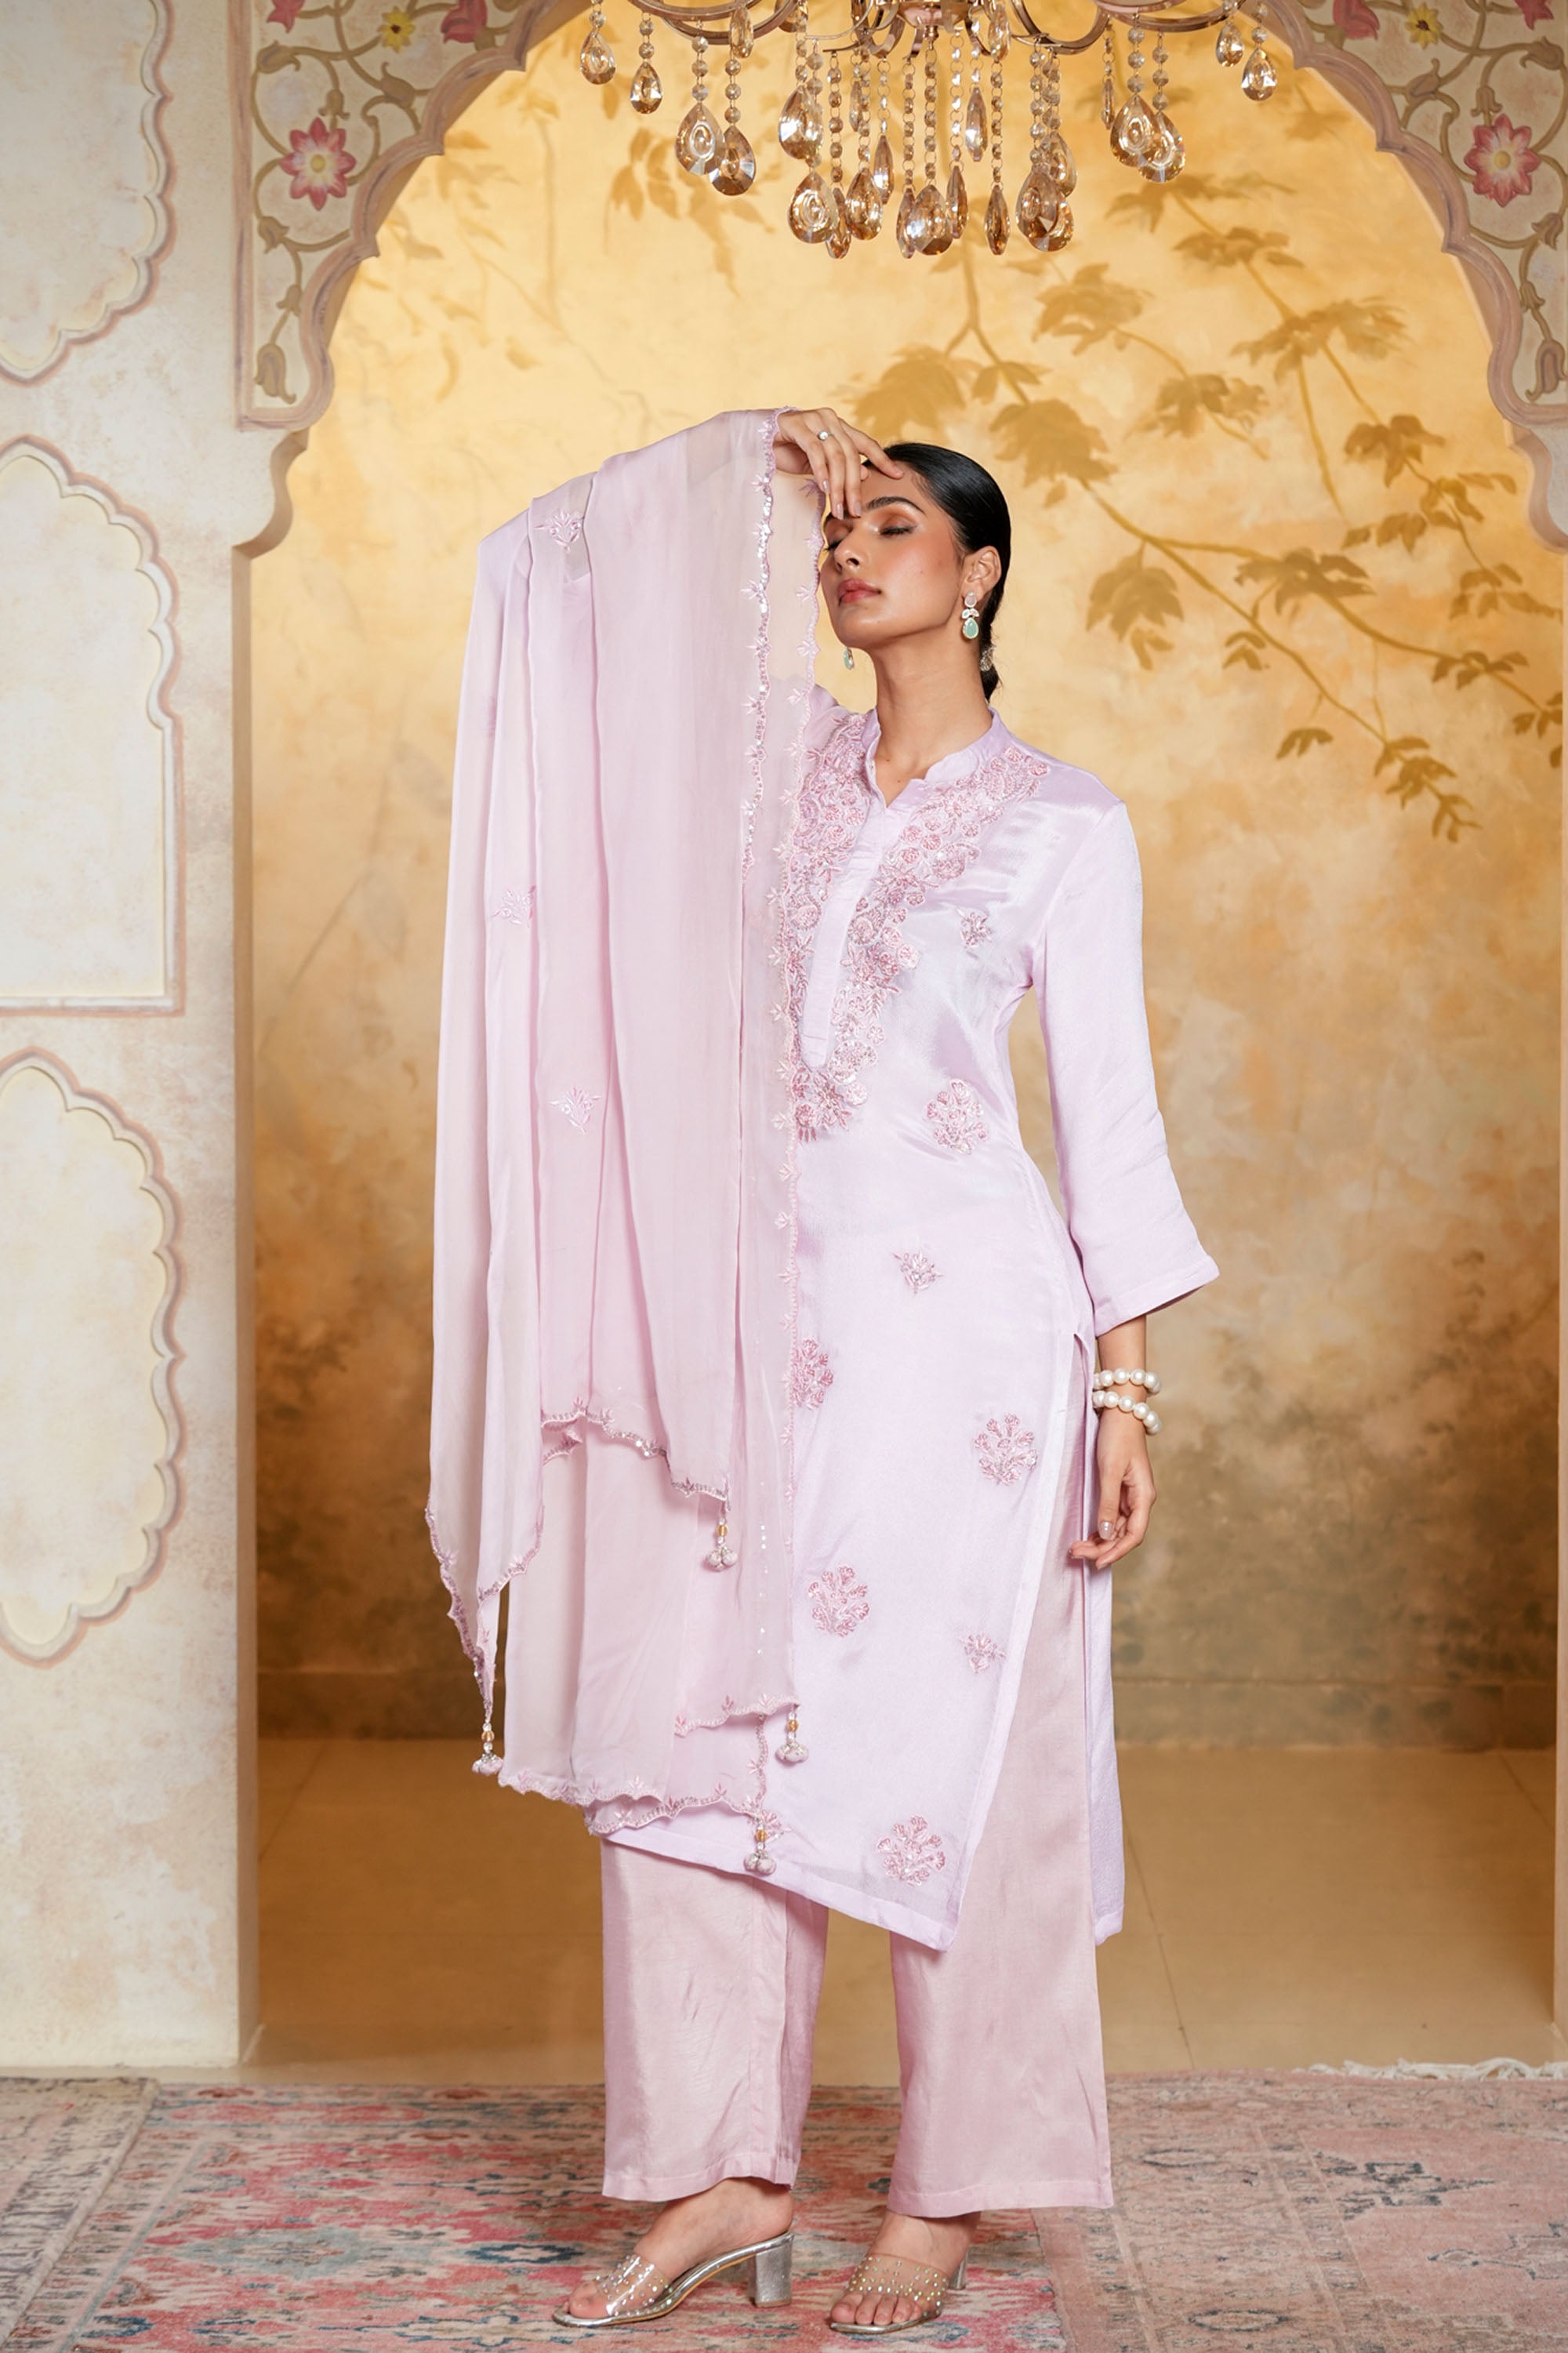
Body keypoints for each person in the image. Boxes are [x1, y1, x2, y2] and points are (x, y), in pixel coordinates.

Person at [430, 406, 1216, 2337]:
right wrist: (739, 451)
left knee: (964, 1761)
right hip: (732, 1350)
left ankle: (947, 2194)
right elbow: (557, 586)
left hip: (964, 1360)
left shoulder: (1060, 822)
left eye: (896, 523)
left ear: (981, 571)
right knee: (693, 1748)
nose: (853, 549)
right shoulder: (759, 767)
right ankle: (727, 2174)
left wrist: (1125, 1392)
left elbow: (1104, 1122)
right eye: (837, 525)